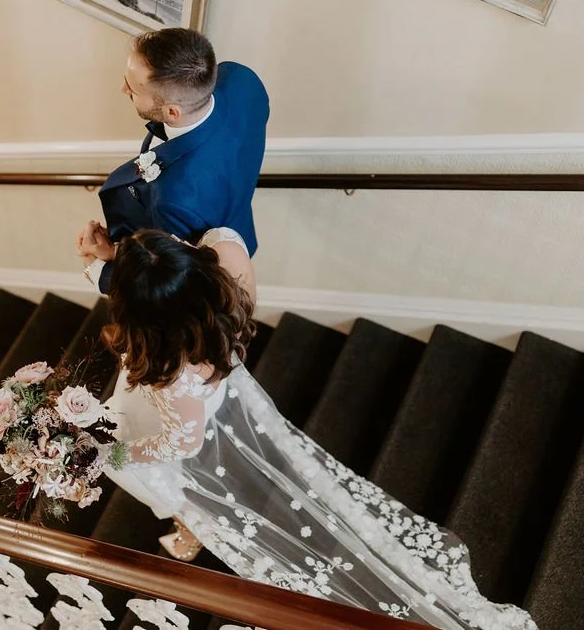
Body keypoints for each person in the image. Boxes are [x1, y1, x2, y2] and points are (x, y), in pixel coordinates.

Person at [88, 226, 537, 630]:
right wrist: (121, 257)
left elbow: (183, 440)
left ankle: (189, 532)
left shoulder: (171, 373)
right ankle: (188, 531)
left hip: (189, 425)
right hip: (222, 396)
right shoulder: (220, 273)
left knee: (187, 491)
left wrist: (115, 454)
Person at [77, 27, 269, 294]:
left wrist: (106, 262)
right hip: (238, 224)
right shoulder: (242, 80)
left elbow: (170, 274)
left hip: (205, 268)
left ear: (172, 112)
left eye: (132, 89)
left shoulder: (172, 199)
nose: (123, 89)